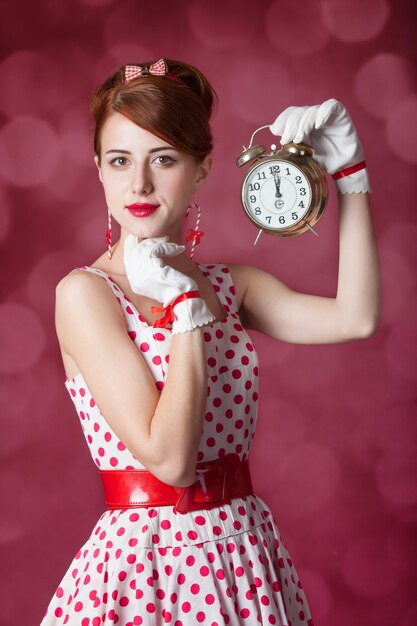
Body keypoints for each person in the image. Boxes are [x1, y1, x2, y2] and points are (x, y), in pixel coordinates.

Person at [41, 58, 380, 625]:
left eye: (165, 159)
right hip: (145, 569)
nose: (139, 184)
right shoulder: (86, 295)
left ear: (202, 170)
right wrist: (185, 312)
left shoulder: (231, 285)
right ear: (98, 168)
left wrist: (350, 175)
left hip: (243, 554)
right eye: (120, 160)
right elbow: (171, 461)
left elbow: (356, 318)